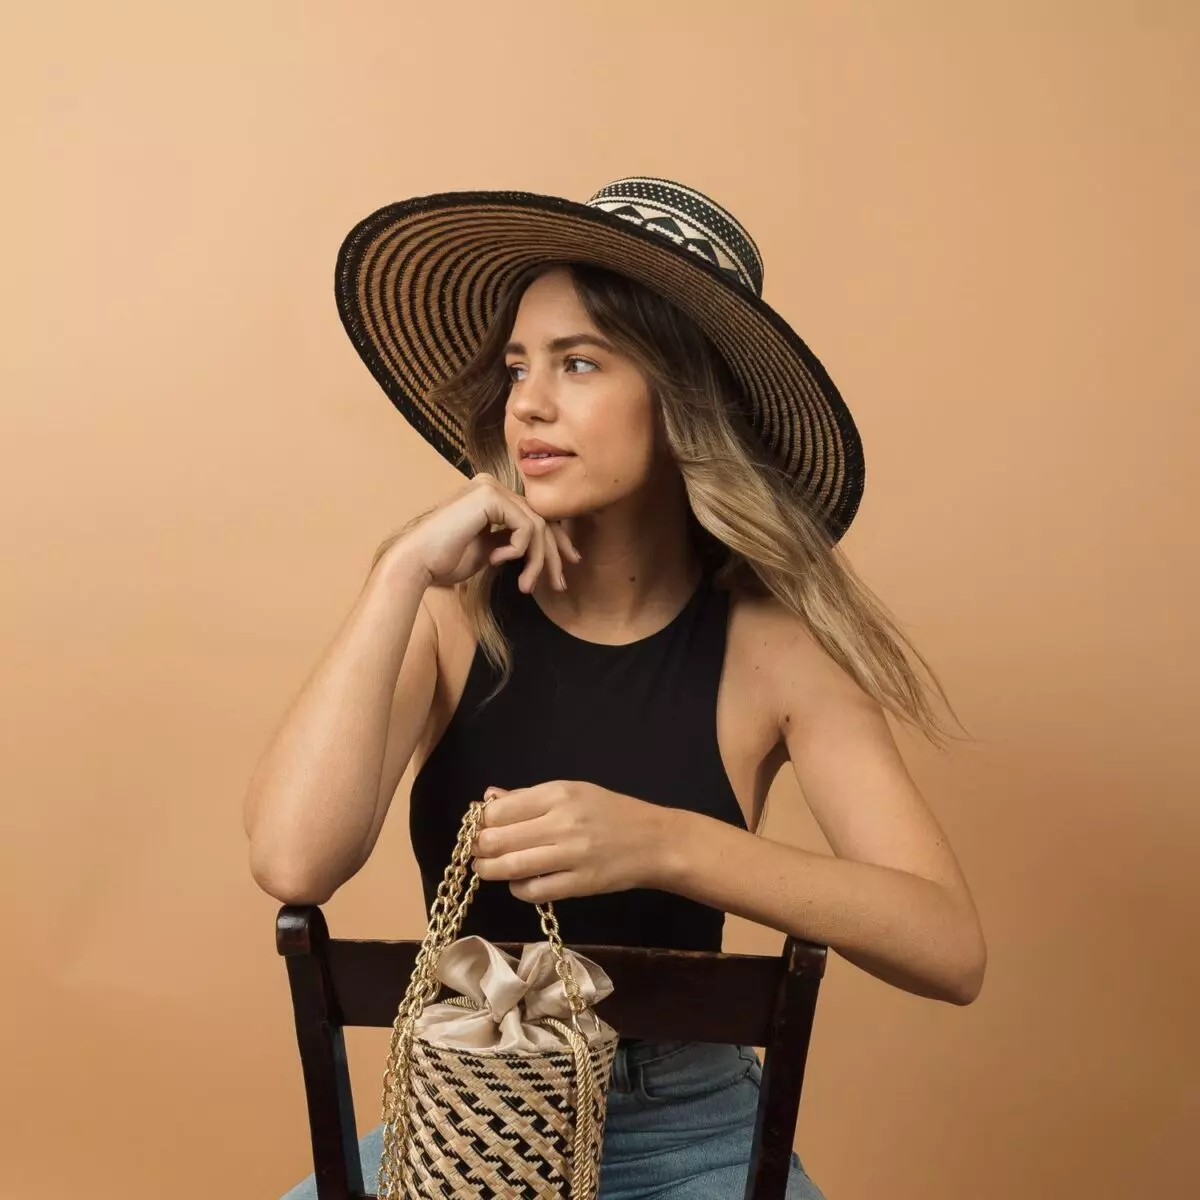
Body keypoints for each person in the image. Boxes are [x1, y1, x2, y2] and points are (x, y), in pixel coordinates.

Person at [245, 176, 988, 1199]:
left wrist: (665, 843)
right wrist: (400, 573)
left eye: (579, 363)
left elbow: (947, 948)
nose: (528, 406)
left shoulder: (774, 655)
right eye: (517, 369)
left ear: (685, 400)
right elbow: (293, 861)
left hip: (697, 1139)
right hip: (469, 1130)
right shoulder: (448, 616)